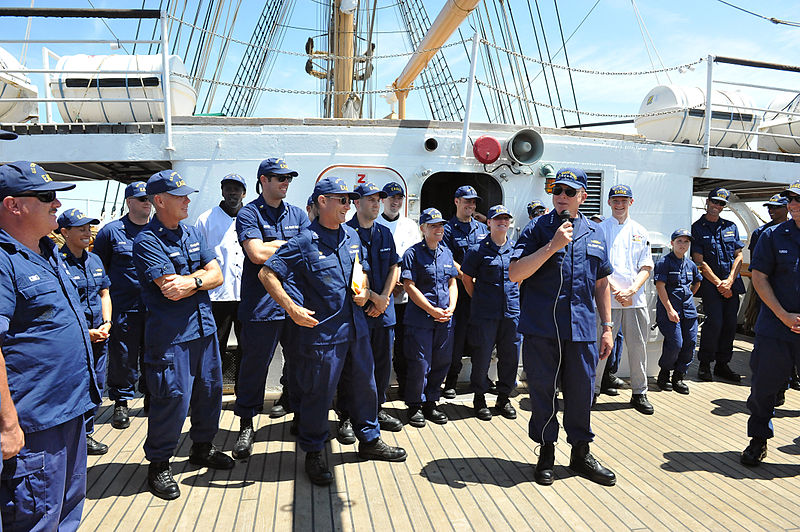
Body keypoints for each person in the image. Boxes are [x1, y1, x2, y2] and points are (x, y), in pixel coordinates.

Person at [260, 176, 407, 486]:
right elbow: (267, 272)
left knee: (366, 387)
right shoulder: (303, 241)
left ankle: (369, 440)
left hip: (357, 329)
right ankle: (313, 452)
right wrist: (292, 309)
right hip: (324, 336)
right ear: (322, 201)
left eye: (348, 200)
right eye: (341, 199)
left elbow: (360, 272)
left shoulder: (352, 236)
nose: (346, 205)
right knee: (319, 395)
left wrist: (364, 291)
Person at [0, 161, 100, 530]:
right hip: (34, 421)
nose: (56, 204)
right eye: (45, 197)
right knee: (38, 516)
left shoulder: (49, 251)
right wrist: (8, 425)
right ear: (13, 205)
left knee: (68, 509)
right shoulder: (3, 260)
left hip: (70, 409)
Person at [509, 167, 616, 487]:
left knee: (582, 394)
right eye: (557, 191)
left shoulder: (596, 233)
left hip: (582, 329)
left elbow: (602, 284)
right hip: (542, 329)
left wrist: (607, 326)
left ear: (583, 196)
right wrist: (552, 246)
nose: (562, 197)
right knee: (542, 393)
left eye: (570, 192)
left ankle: (580, 452)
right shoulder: (536, 229)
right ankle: (546, 451)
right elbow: (516, 273)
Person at [133, 170, 234, 500]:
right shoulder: (147, 242)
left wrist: (193, 281)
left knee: (210, 392)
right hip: (171, 337)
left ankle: (202, 448)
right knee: (172, 399)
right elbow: (169, 289)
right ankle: (159, 463)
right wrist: (201, 278)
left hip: (204, 330)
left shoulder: (192, 232)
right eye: (180, 196)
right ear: (159, 201)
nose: (188, 200)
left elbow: (216, 275)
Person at [232, 158, 310, 460]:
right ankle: (247, 424)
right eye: (279, 178)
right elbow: (254, 253)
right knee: (254, 368)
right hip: (261, 306)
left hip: (294, 302)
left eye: (288, 178)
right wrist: (288, 244)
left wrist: (273, 244)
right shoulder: (249, 213)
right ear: (263, 180)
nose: (285, 182)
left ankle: (299, 415)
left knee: (300, 365)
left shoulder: (299, 214)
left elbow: (307, 250)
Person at [741, 180, 800, 466]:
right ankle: (758, 440)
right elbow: (760, 278)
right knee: (764, 387)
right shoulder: (772, 236)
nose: (793, 206)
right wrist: (782, 315)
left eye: (799, 201)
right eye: (791, 200)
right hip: (776, 327)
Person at [345, 182, 403, 433]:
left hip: (383, 312)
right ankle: (347, 415)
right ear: (357, 203)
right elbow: (352, 274)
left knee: (381, 365)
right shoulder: (346, 233)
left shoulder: (384, 233)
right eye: (370, 199)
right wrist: (372, 298)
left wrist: (383, 299)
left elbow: (395, 267)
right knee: (353, 366)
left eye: (378, 200)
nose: (376, 203)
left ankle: (377, 409)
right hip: (356, 314)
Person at [93, 181, 151, 430]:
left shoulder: (159, 230)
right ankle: (121, 402)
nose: (146, 202)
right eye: (141, 199)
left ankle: (152, 397)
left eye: (149, 198)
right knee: (123, 357)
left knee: (154, 355)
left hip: (154, 308)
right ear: (129, 202)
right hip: (124, 307)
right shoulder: (111, 232)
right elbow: (99, 269)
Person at [594, 185, 654, 415]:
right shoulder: (600, 229)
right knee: (601, 347)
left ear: (631, 202)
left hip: (635, 300)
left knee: (638, 347)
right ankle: (592, 390)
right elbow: (599, 266)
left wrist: (631, 290)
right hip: (607, 298)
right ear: (609, 203)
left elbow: (646, 266)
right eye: (615, 201)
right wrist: (618, 289)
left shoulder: (640, 230)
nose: (619, 205)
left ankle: (639, 392)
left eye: (624, 200)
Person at [58, 209, 112, 456]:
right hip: (77, 339)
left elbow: (104, 293)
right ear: (65, 232)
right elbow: (62, 306)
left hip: (100, 334)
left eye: (88, 227)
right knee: (76, 387)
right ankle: (75, 437)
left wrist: (107, 322)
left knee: (97, 384)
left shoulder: (95, 260)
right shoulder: (57, 264)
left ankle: (87, 433)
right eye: (80, 228)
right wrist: (84, 332)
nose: (86, 232)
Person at [460, 205, 520, 421]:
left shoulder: (516, 249)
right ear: (489, 222)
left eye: (506, 218)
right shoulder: (477, 250)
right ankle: (479, 397)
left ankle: (504, 397)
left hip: (511, 313)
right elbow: (467, 279)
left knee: (510, 356)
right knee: (482, 356)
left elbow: (519, 277)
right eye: (497, 219)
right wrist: (479, 299)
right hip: (485, 313)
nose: (502, 222)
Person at [401, 208, 458, 427]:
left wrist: (451, 307)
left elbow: (452, 282)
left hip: (444, 320)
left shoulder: (446, 252)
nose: (438, 229)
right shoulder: (412, 254)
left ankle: (431, 402)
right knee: (420, 364)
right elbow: (409, 286)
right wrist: (431, 310)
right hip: (420, 321)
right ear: (423, 228)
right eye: (433, 225)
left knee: (441, 362)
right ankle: (415, 405)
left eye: (440, 225)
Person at [194, 173, 246, 390]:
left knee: (248, 348)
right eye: (228, 188)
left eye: (237, 188)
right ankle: (210, 394)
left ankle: (245, 393)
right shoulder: (205, 219)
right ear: (222, 191)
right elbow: (196, 258)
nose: (233, 193)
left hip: (247, 295)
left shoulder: (252, 217)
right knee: (214, 348)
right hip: (217, 296)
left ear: (244, 192)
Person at [691, 188, 745, 383]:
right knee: (714, 324)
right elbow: (699, 260)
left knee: (730, 326)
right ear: (707, 202)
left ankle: (723, 365)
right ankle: (705, 364)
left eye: (721, 203)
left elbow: (738, 255)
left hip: (732, 285)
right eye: (714, 202)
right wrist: (720, 284)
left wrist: (730, 281)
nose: (717, 206)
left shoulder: (731, 226)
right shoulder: (697, 228)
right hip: (712, 286)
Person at [374, 182, 421, 399]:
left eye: (399, 198)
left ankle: (404, 386)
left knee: (405, 346)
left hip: (406, 297)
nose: (396, 202)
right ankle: (376, 390)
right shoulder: (374, 225)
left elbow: (416, 258)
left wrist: (405, 282)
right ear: (383, 200)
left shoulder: (411, 226)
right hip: (382, 297)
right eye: (392, 198)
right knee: (380, 348)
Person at [442, 185, 488, 398]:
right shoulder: (448, 229)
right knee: (457, 339)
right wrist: (468, 276)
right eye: (466, 200)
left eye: (473, 201)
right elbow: (447, 258)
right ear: (456, 202)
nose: (471, 205)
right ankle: (451, 380)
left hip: (479, 293)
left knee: (481, 338)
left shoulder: (481, 229)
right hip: (458, 292)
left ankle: (481, 378)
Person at [654, 229, 701, 395]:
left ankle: (679, 376)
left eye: (686, 242)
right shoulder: (664, 262)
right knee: (675, 343)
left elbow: (697, 282)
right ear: (672, 243)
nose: (683, 245)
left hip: (689, 312)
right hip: (669, 312)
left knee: (690, 344)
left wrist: (688, 297)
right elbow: (660, 286)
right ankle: (664, 373)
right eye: (679, 241)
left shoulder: (690, 265)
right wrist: (670, 309)